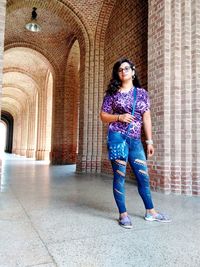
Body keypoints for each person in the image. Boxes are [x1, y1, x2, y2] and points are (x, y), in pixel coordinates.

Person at [100, 58, 171, 229]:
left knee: (143, 177)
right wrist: (119, 117)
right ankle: (123, 215)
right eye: (119, 70)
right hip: (117, 138)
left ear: (133, 71)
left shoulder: (142, 94)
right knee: (120, 176)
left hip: (135, 141)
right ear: (118, 74)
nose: (123, 71)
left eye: (126, 68)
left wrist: (149, 141)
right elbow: (103, 116)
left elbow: (146, 117)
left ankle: (151, 212)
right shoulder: (112, 94)